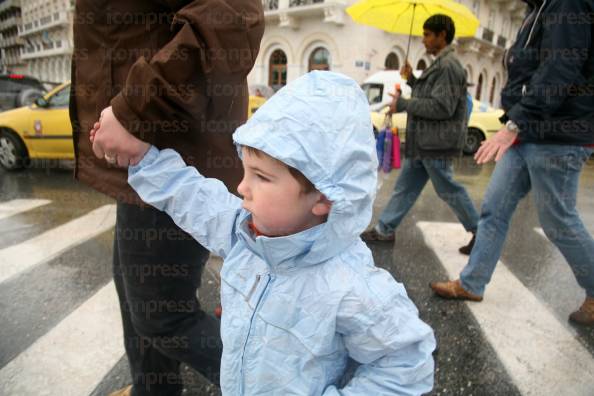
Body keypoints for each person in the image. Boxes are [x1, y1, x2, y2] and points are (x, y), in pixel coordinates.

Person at [90, 71, 436, 395]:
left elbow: (406, 362)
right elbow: (194, 197)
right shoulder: (246, 236)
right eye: (246, 171)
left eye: (262, 177)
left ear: (324, 197)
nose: (243, 186)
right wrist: (142, 157)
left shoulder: (351, 285)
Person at [68, 2, 265, 395]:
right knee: (137, 300)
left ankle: (283, 386)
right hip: (144, 160)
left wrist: (136, 110)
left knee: (165, 315)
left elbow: (232, 14)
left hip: (173, 162)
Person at [430, 0, 594, 326]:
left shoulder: (567, 4)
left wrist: (516, 123)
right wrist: (516, 121)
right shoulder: (538, 9)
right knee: (494, 208)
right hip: (526, 130)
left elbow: (559, 70)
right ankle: (472, 283)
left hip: (558, 133)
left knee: (558, 220)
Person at [362, 14, 479, 255]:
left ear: (442, 35)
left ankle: (482, 233)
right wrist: (413, 80)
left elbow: (441, 107)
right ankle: (385, 229)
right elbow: (432, 96)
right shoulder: (440, 64)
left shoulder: (448, 66)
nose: (423, 39)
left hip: (436, 143)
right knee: (405, 188)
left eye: (427, 34)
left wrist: (404, 104)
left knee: (449, 189)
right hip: (425, 143)